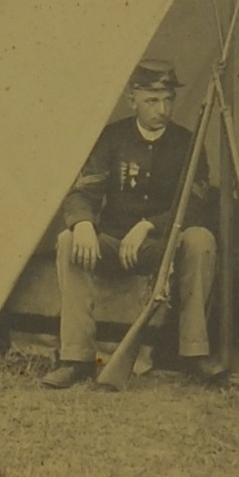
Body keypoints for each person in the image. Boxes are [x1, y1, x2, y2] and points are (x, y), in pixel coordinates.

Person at [43, 59, 219, 389]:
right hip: (112, 242)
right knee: (68, 241)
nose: (162, 109)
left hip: (162, 244)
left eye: (168, 99)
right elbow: (84, 191)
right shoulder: (112, 138)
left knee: (201, 239)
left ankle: (194, 354)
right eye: (152, 100)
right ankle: (76, 358)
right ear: (132, 100)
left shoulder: (187, 143)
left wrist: (149, 226)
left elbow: (196, 205)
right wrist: (82, 223)